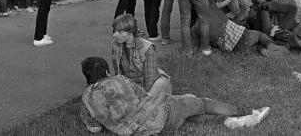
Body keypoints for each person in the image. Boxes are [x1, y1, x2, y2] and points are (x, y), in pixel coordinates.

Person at [80, 57, 248, 135]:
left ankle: (226, 121)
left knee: (188, 116)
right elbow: (145, 96)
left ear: (87, 77)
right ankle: (241, 112)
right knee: (200, 103)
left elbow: (94, 128)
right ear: (107, 71)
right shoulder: (120, 79)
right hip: (162, 114)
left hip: (146, 132)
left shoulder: (87, 99)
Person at [111, 14, 171, 95]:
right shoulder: (116, 45)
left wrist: (140, 95)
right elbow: (118, 73)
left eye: (120, 31)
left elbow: (150, 80)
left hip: (154, 83)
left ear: (130, 32)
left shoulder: (147, 47)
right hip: (132, 84)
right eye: (114, 31)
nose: (115, 35)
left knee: (146, 101)